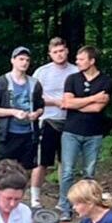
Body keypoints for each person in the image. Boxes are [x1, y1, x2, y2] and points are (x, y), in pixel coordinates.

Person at [59, 46, 112, 221]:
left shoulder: (106, 81)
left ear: (92, 61)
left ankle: (88, 208)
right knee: (67, 171)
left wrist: (78, 102)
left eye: (81, 59)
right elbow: (67, 103)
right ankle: (65, 207)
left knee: (89, 174)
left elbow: (98, 108)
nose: (77, 62)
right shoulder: (72, 79)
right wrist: (92, 98)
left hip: (94, 133)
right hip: (71, 131)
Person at [32, 37, 81, 208]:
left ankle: (64, 199)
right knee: (42, 161)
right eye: (55, 52)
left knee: (66, 163)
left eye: (61, 51)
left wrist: (70, 103)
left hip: (71, 121)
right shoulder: (42, 72)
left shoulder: (76, 71)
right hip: (48, 120)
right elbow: (34, 96)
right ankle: (35, 198)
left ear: (67, 51)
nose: (59, 55)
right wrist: (56, 102)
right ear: (50, 54)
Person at [0, 47, 44, 177]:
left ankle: (19, 197)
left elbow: (41, 106)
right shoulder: (1, 82)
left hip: (29, 134)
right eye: (21, 59)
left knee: (24, 173)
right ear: (13, 60)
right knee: (3, 173)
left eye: (27, 60)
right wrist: (13, 112)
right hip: (8, 134)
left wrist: (36, 114)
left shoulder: (35, 83)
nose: (24, 63)